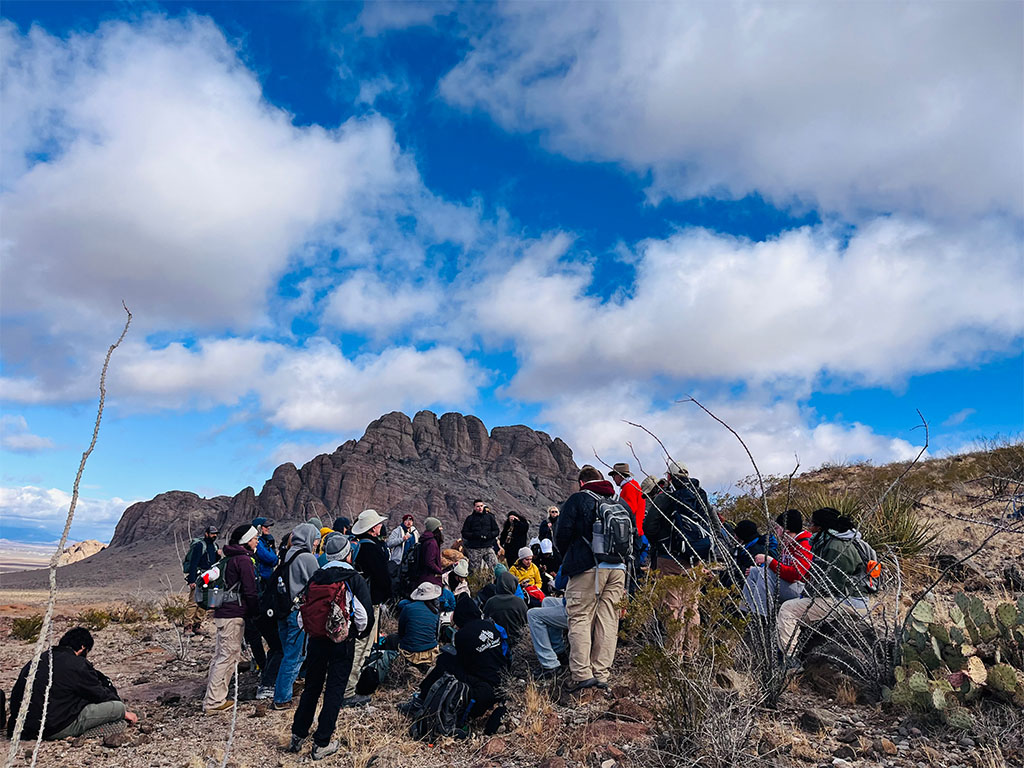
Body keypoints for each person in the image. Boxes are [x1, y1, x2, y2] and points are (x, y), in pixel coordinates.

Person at [287, 533, 372, 761]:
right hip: (342, 642)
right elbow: (364, 616)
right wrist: (355, 632)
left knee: (312, 687)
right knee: (334, 690)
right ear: (348, 554)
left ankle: (297, 735)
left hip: (316, 640)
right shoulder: (353, 577)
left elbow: (301, 616)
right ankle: (322, 742)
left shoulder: (316, 577)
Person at [555, 465, 632, 691]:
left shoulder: (578, 499)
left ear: (581, 483)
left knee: (580, 617)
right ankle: (602, 674)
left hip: (588, 567)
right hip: (618, 568)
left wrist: (569, 558)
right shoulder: (619, 501)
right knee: (609, 620)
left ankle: (581, 674)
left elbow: (562, 534)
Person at [7, 627, 138, 740]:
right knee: (117, 708)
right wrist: (123, 711)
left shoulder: (39, 659)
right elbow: (99, 694)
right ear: (82, 647)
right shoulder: (77, 664)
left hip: (22, 727)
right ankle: (87, 732)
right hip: (52, 728)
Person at [776, 507, 868, 667]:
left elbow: (829, 584)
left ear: (820, 527)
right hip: (850, 599)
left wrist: (805, 596)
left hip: (846, 601)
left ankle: (789, 661)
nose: (809, 528)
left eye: (811, 524)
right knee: (798, 605)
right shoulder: (837, 542)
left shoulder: (835, 547)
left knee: (788, 609)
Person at [409, 596, 509, 735]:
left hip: (483, 684)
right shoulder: (489, 626)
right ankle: (422, 697)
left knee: (444, 662)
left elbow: (464, 664)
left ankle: (421, 699)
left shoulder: (463, 634)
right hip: (502, 679)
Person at [203, 524, 260, 713]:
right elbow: (250, 591)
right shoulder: (243, 561)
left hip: (224, 613)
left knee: (221, 656)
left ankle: (214, 697)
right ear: (246, 541)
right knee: (227, 657)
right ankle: (214, 702)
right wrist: (254, 611)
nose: (256, 541)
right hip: (233, 615)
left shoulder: (228, 558)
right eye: (254, 539)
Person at [343, 509, 391, 707]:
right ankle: (348, 692)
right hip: (369, 603)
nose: (381, 526)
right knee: (362, 645)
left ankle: (350, 685)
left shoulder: (358, 546)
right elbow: (383, 577)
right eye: (378, 524)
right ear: (372, 529)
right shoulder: (372, 549)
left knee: (359, 644)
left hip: (358, 601)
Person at [273, 523, 322, 711]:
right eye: (315, 539)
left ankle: (284, 689)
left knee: (288, 653)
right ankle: (282, 698)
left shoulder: (286, 553)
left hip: (283, 610)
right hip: (298, 613)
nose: (316, 544)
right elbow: (317, 582)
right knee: (295, 656)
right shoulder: (307, 557)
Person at [742, 509, 812, 616]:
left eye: (778, 528)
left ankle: (761, 616)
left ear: (786, 530)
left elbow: (796, 574)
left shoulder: (804, 544)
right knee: (755, 571)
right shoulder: (788, 543)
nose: (776, 531)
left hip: (802, 589)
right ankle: (745, 611)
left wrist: (769, 561)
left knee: (765, 574)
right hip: (792, 585)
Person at [396, 582, 445, 668]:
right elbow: (436, 634)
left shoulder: (408, 608)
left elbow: (401, 632)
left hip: (410, 651)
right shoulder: (435, 612)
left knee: (391, 639)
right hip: (430, 652)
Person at [184, 525, 220, 636]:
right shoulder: (200, 546)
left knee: (204, 601)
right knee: (194, 601)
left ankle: (197, 625)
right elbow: (194, 563)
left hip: (209, 576)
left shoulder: (215, 546)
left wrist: (218, 556)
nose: (214, 535)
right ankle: (187, 627)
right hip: (200, 576)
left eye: (215, 534)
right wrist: (192, 580)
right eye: (212, 533)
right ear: (206, 533)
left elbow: (214, 562)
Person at [527, 596, 569, 679]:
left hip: (581, 609)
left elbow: (559, 584)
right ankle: (559, 651)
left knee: (532, 615)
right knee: (547, 601)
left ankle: (550, 664)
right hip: (583, 602)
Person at [483, 570, 529, 644]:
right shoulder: (519, 602)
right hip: (517, 640)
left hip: (497, 641)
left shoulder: (491, 602)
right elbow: (525, 623)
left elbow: (486, 621)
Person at [721, 520, 765, 588]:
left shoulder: (755, 550)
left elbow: (746, 572)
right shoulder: (751, 546)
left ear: (743, 535)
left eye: (736, 534)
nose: (735, 536)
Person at [461, 499, 500, 573]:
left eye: (481, 506)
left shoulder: (489, 517)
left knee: (495, 566)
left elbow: (496, 530)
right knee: (474, 571)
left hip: (487, 546)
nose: (480, 508)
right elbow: (464, 533)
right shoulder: (470, 519)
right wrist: (475, 535)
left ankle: (496, 582)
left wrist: (489, 535)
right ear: (474, 508)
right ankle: (474, 583)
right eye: (478, 506)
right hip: (474, 548)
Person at [416, 517, 445, 587]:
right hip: (429, 577)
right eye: (439, 527)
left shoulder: (427, 540)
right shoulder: (431, 543)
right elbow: (429, 562)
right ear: (434, 528)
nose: (441, 529)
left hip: (424, 575)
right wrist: (439, 572)